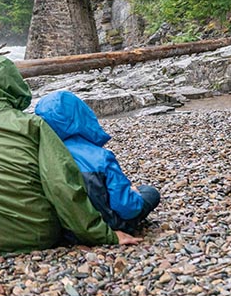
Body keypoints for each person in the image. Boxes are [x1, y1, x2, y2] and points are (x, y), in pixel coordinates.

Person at [0, 56, 140, 254]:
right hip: (40, 235)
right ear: (16, 85)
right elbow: (61, 183)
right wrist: (101, 234)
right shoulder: (34, 125)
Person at [35, 90, 160, 233]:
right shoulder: (101, 157)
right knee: (149, 192)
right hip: (110, 224)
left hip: (68, 229)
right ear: (82, 115)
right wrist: (134, 195)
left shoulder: (41, 155)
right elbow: (127, 209)